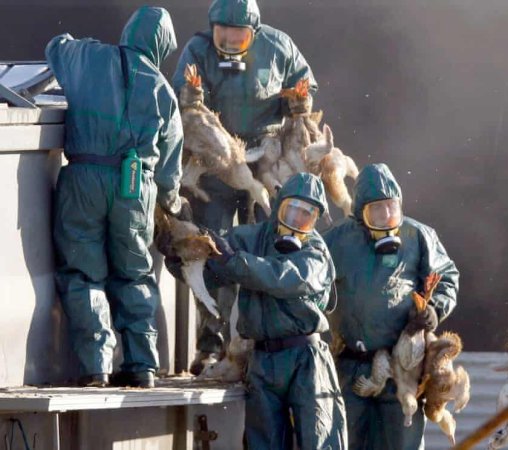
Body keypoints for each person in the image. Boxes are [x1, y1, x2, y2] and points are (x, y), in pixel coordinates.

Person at [172, 0, 317, 373]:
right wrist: (189, 101)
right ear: (213, 29)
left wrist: (299, 100)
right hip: (216, 161)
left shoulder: (279, 46)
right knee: (214, 251)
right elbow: (181, 104)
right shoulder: (197, 50)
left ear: (255, 34)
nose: (231, 45)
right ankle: (211, 344)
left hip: (265, 159)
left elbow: (303, 87)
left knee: (270, 249)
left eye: (240, 39)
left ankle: (258, 341)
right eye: (225, 37)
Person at [46, 6, 186, 388]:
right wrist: (170, 204)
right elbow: (171, 168)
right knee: (135, 274)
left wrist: (77, 44)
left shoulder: (91, 57)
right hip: (136, 187)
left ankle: (97, 367)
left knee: (82, 271)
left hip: (85, 178)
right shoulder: (164, 89)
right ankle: (143, 366)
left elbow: (56, 47)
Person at [165, 173, 345, 449]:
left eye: (306, 216)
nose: (296, 222)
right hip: (262, 359)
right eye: (291, 211)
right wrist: (182, 257)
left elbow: (282, 277)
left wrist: (234, 260)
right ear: (278, 207)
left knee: (321, 441)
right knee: (263, 443)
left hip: (307, 359)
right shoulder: (253, 237)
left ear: (315, 220)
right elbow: (215, 268)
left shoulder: (316, 251)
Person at [323, 163, 460, 450]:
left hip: (403, 370)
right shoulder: (337, 240)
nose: (386, 217)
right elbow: (312, 281)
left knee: (402, 442)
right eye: (377, 209)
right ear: (361, 213)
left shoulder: (418, 235)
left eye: (391, 207)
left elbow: (446, 276)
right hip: (351, 366)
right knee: (346, 442)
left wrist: (435, 308)